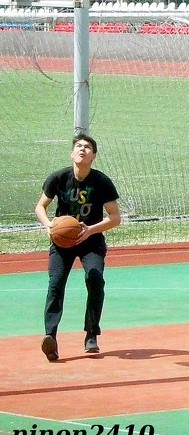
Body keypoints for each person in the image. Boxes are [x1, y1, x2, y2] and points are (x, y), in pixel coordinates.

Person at [34, 134, 122, 362]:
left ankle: (91, 334)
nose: (83, 149)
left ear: (93, 156)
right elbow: (40, 207)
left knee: (95, 279)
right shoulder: (59, 177)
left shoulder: (101, 181)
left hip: (90, 240)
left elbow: (115, 217)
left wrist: (90, 230)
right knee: (55, 284)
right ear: (72, 153)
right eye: (79, 146)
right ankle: (50, 337)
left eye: (88, 147)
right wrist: (50, 225)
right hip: (62, 242)